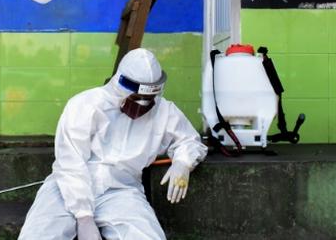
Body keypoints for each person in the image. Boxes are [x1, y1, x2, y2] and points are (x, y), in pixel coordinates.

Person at [18, 48, 208, 240]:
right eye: (137, 99)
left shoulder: (163, 111)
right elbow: (70, 163)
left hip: (121, 191)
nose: (142, 105)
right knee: (38, 234)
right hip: (66, 188)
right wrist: (84, 217)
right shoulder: (85, 105)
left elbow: (189, 140)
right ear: (120, 86)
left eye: (148, 100)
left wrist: (183, 163)